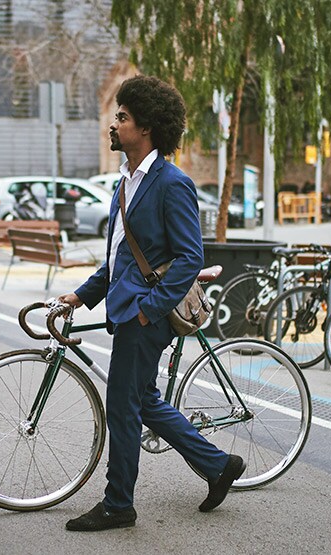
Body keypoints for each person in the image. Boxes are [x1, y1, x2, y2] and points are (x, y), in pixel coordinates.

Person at [57, 75, 245, 532]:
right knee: (141, 401)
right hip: (128, 308)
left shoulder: (171, 183)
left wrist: (148, 310)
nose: (114, 124)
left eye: (122, 117)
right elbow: (119, 260)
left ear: (145, 128)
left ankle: (118, 504)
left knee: (121, 406)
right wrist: (80, 296)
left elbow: (189, 258)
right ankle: (219, 465)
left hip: (147, 316)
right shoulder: (126, 182)